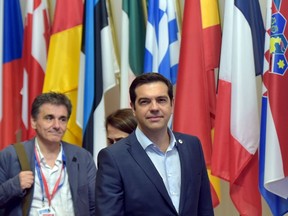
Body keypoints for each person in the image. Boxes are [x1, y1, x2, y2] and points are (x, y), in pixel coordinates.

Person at [96, 73, 214, 215]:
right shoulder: (114, 157)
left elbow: (204, 208)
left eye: (161, 100)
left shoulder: (192, 146)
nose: (154, 108)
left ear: (172, 103)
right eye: (145, 102)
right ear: (133, 108)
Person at [0, 92, 96, 216]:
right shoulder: (11, 155)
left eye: (62, 119)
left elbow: (95, 205)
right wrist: (14, 185)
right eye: (49, 118)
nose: (57, 126)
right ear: (34, 122)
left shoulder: (83, 157)